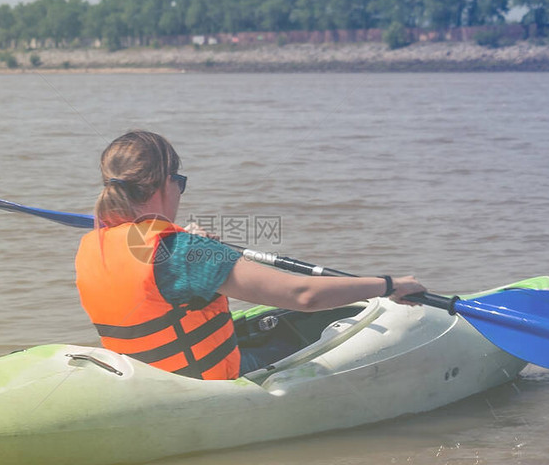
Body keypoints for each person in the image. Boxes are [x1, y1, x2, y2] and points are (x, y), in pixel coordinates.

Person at [75, 130, 426, 380]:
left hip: (145, 380)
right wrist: (388, 284)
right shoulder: (185, 252)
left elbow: (161, 278)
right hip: (202, 384)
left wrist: (194, 247)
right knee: (303, 334)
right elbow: (302, 295)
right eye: (178, 181)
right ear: (161, 185)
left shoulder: (96, 244)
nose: (180, 191)